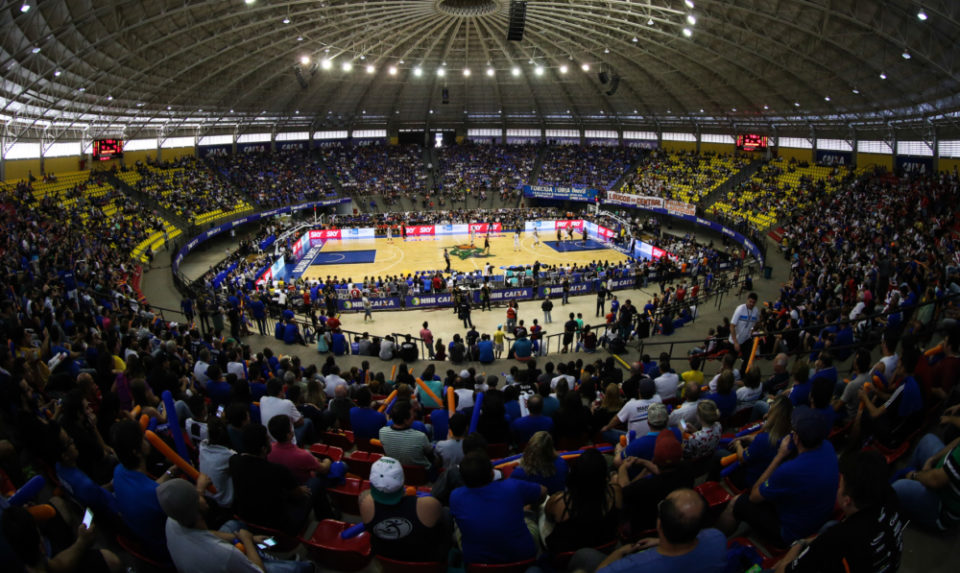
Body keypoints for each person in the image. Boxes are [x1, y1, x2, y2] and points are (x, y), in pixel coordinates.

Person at [721, 406, 839, 546]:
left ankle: (716, 541)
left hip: (790, 533)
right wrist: (755, 439)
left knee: (738, 502)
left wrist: (779, 456)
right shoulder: (827, 446)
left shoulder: (790, 470)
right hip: (816, 516)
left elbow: (754, 496)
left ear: (795, 437)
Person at [773, 450, 905, 573]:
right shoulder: (889, 495)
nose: (838, 487)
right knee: (829, 526)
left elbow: (784, 571)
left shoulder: (837, 540)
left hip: (849, 553)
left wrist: (798, 544)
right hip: (882, 562)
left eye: (840, 484)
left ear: (847, 500)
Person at [158, 478, 312, 573]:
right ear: (198, 508)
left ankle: (260, 554)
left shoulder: (172, 521)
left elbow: (207, 534)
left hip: (203, 556)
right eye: (198, 496)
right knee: (296, 568)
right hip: (224, 561)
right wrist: (247, 540)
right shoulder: (223, 554)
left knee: (233, 525)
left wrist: (241, 537)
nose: (202, 495)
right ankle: (309, 567)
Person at [570, 488, 726, 573]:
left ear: (659, 525)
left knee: (583, 555)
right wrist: (659, 542)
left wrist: (620, 552)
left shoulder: (629, 567)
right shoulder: (718, 538)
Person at [450, 452, 546, 565]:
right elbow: (544, 492)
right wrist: (527, 507)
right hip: (522, 558)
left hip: (476, 562)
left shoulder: (455, 496)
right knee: (533, 513)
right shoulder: (512, 486)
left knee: (457, 523)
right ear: (492, 472)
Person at [230, 423, 318, 534]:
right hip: (280, 526)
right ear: (263, 449)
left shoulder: (233, 461)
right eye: (268, 440)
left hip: (248, 521)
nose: (271, 442)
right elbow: (297, 494)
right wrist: (300, 489)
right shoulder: (278, 470)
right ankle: (327, 517)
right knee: (316, 482)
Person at [110, 418, 178, 558]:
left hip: (146, 542)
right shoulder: (156, 495)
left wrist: (170, 473)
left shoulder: (118, 472)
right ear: (136, 451)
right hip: (169, 549)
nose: (147, 438)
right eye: (142, 438)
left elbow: (146, 488)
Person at [359, 457, 449, 562]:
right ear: (403, 480)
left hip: (385, 554)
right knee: (446, 512)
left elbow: (367, 495)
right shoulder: (429, 504)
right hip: (422, 556)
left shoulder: (364, 502)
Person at [543, 448, 622, 554]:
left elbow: (547, 513)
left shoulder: (560, 503)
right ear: (604, 477)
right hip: (605, 549)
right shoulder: (615, 492)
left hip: (569, 559)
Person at [891, 430, 960, 530]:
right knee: (927, 440)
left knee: (898, 487)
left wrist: (914, 475)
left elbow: (935, 480)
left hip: (942, 506)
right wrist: (932, 459)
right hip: (941, 476)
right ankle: (907, 496)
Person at [379, 400, 435, 472]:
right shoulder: (420, 437)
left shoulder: (382, 432)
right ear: (405, 420)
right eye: (412, 414)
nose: (414, 416)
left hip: (395, 470)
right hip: (421, 475)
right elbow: (431, 458)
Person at [730, 292, 760, 367]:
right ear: (747, 300)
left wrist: (753, 330)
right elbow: (732, 326)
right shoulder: (740, 309)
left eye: (753, 302)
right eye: (750, 301)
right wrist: (735, 342)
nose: (751, 304)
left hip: (746, 339)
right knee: (731, 361)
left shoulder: (756, 311)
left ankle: (743, 374)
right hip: (735, 340)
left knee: (748, 359)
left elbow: (758, 322)